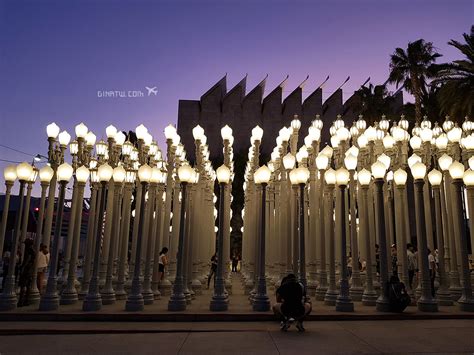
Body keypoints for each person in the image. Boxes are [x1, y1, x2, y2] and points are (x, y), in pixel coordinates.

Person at [17, 239, 36, 307]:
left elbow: (27, 260)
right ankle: (26, 300)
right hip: (30, 270)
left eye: (26, 243)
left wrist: (23, 267)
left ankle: (21, 301)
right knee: (27, 286)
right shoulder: (32, 251)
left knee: (23, 285)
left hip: (26, 270)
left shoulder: (28, 250)